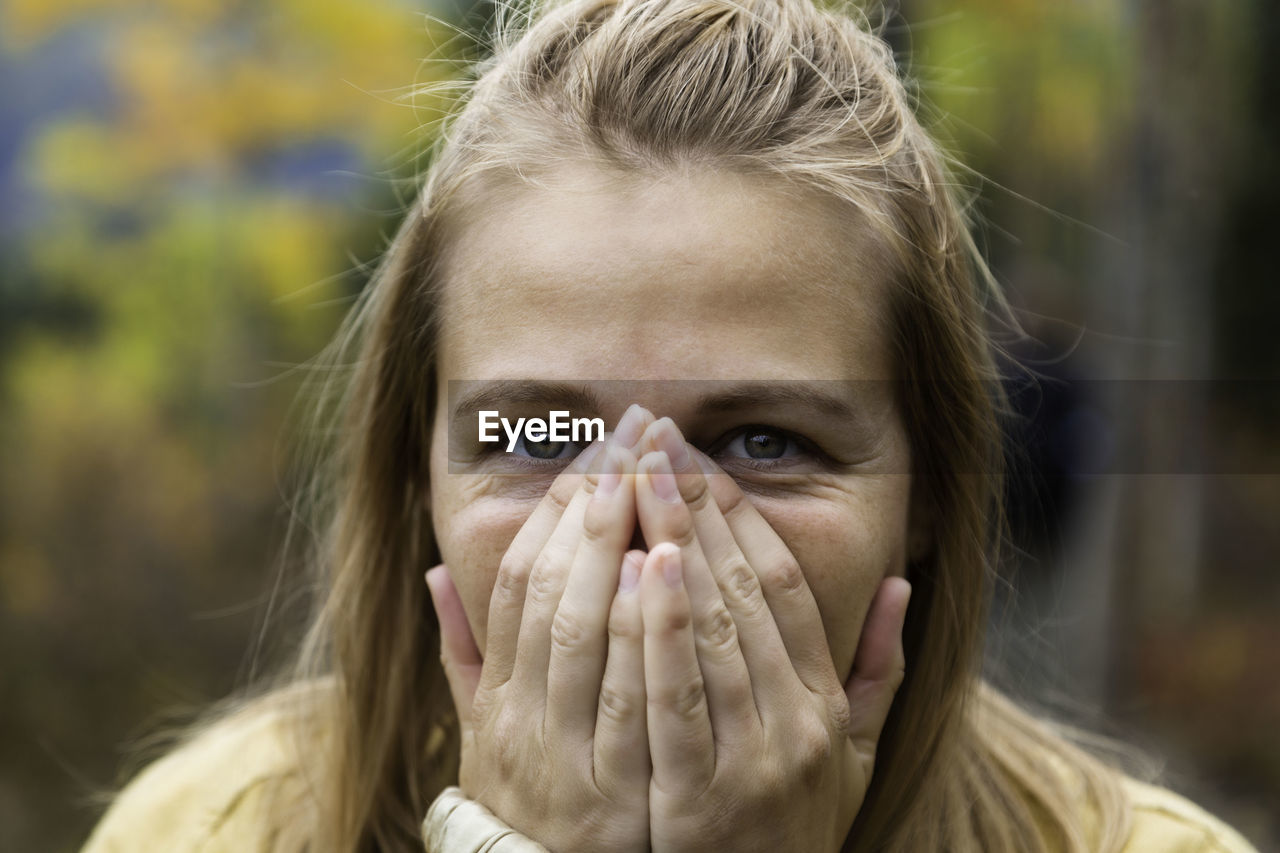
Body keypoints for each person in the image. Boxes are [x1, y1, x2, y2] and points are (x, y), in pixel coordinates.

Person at [79, 0, 1260, 850]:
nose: (645, 542)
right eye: (536, 438)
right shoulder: (207, 827)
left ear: (930, 495)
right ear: (413, 482)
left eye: (762, 440)